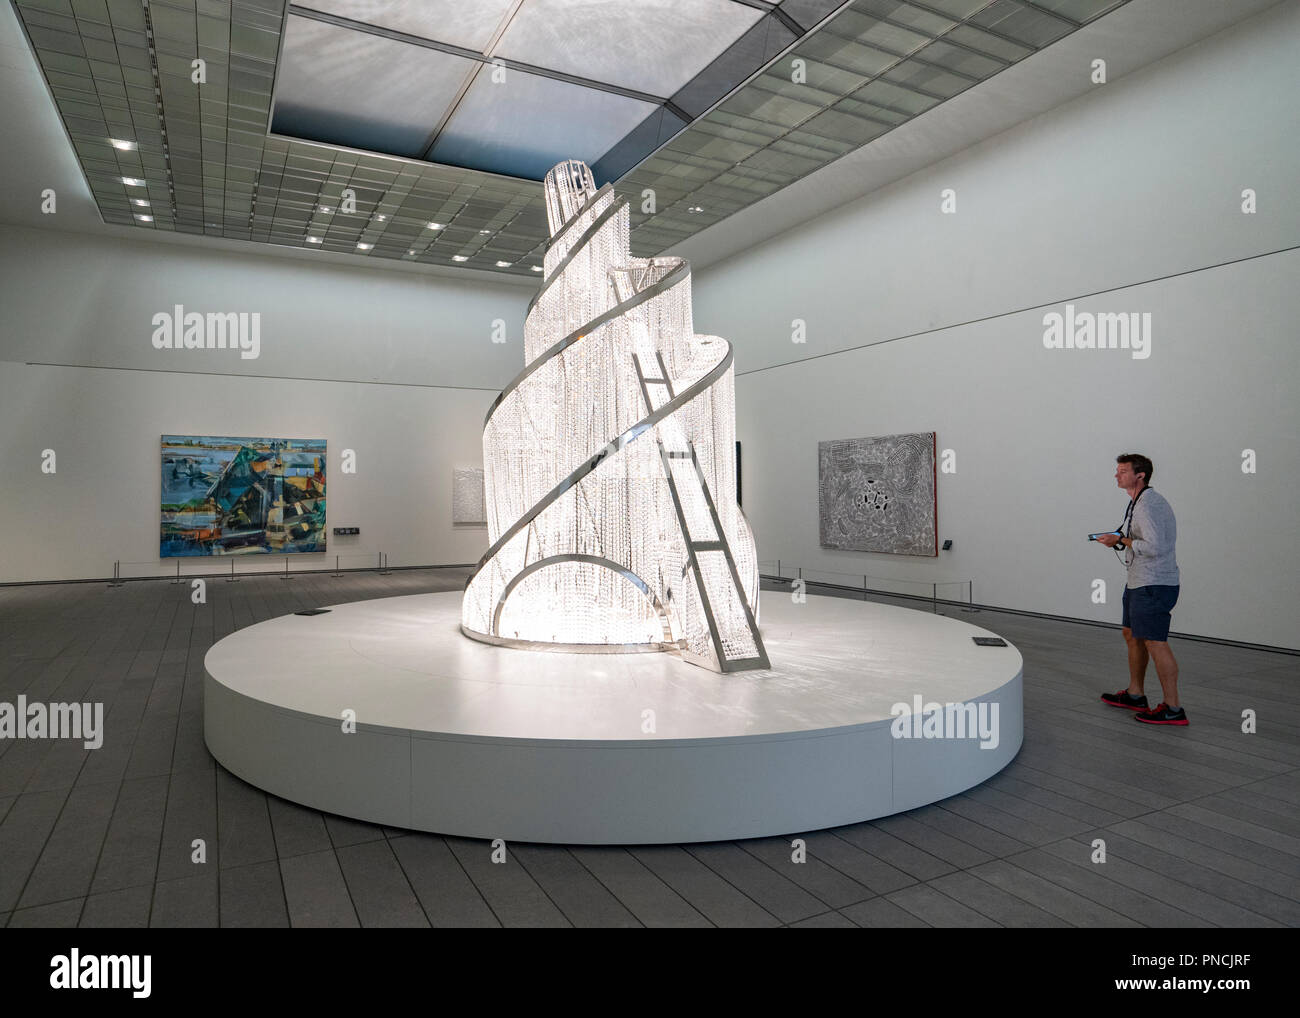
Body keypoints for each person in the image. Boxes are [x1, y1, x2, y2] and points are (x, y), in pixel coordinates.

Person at [1096, 453, 1186, 725]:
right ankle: (1136, 694)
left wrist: (1122, 539)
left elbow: (1156, 547)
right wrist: (1120, 541)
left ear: (1140, 475)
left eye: (1122, 471)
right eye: (1117, 470)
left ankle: (1173, 708)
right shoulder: (1139, 502)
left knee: (1155, 642)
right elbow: (1142, 541)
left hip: (1153, 584)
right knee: (1131, 634)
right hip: (1139, 581)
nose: (1117, 475)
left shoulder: (1149, 505)